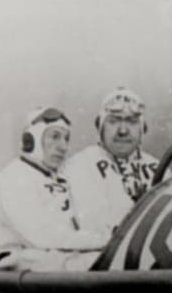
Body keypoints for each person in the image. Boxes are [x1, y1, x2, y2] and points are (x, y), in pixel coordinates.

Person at [0, 106, 106, 271]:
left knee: (109, 259)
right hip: (15, 261)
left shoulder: (53, 177)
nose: (63, 146)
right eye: (54, 136)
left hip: (46, 256)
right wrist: (105, 241)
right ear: (31, 141)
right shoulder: (15, 178)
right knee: (102, 264)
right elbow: (45, 236)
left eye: (66, 139)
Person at [60, 87, 163, 237]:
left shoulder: (159, 168)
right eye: (114, 121)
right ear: (100, 127)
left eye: (132, 122)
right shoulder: (78, 167)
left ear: (143, 129)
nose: (123, 131)